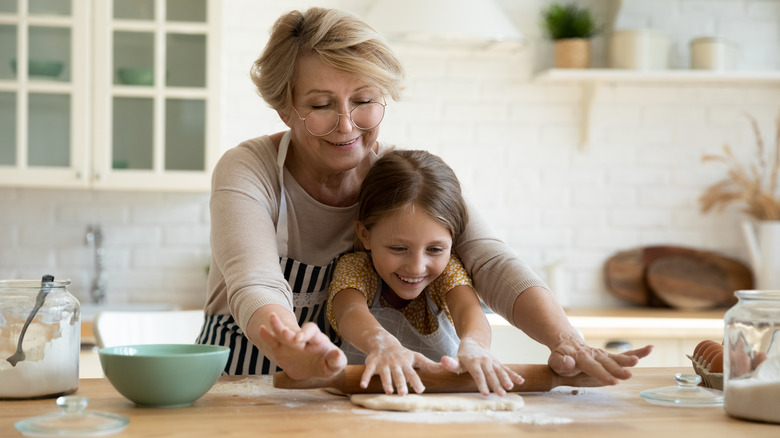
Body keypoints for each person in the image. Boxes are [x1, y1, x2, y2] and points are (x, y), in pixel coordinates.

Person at [198, 6, 652, 383]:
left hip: (330, 386)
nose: (346, 124)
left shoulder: (398, 177)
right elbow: (254, 282)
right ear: (284, 108)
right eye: (320, 105)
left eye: (364, 100)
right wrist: (293, 346)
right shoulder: (249, 169)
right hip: (239, 382)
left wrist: (566, 340)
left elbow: (488, 260)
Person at [327, 149, 525, 396]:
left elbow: (468, 310)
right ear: (365, 234)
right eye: (399, 248)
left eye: (435, 249)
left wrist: (475, 345)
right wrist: (383, 345)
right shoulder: (356, 269)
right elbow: (349, 312)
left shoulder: (446, 272)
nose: (417, 267)